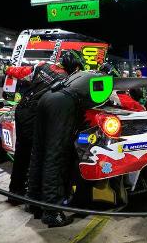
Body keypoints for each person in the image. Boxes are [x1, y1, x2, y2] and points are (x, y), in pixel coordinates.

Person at [27, 70, 105, 227]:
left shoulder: (82, 74)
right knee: (56, 156)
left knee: (39, 152)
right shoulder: (102, 80)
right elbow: (101, 103)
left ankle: (33, 201)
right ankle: (52, 211)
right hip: (62, 104)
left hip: (47, 97)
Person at [5, 50, 86, 200]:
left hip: (22, 110)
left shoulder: (42, 65)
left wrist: (8, 69)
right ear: (73, 65)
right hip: (36, 115)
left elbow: (22, 72)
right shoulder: (66, 79)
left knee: (22, 151)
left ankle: (15, 191)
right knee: (38, 154)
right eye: (77, 67)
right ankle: (36, 197)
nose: (77, 71)